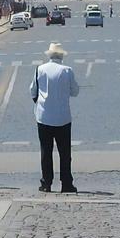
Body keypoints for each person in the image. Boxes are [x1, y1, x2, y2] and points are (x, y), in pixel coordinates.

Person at [29, 42, 80, 193]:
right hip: (63, 117)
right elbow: (75, 92)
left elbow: (32, 90)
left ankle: (46, 183)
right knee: (65, 153)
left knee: (46, 152)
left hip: (44, 117)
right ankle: (66, 183)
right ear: (61, 56)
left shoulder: (40, 69)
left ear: (49, 55)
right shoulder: (67, 70)